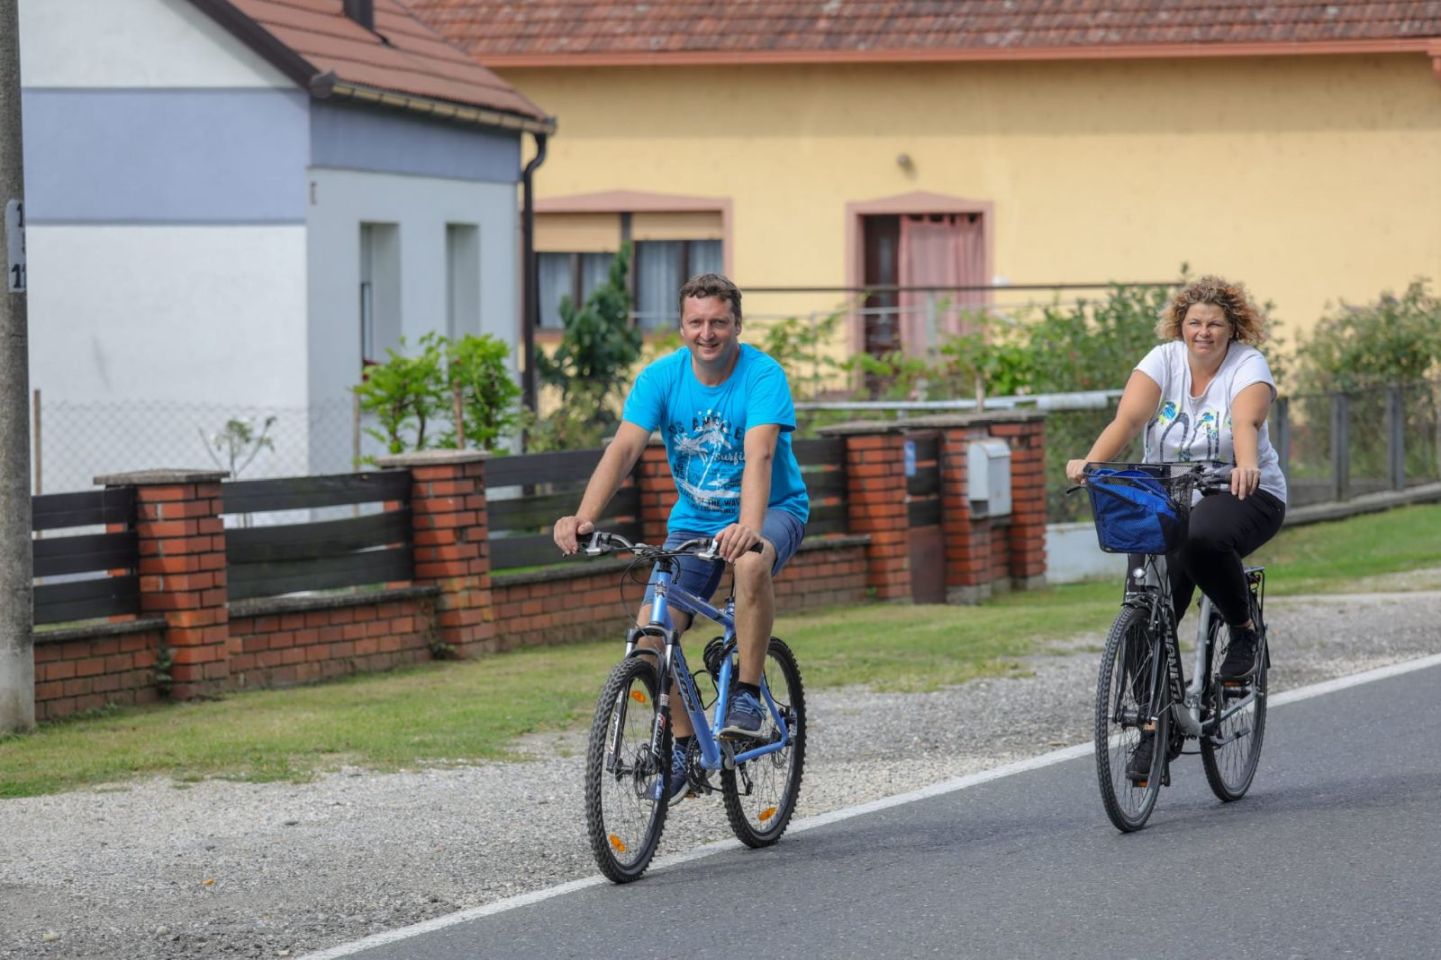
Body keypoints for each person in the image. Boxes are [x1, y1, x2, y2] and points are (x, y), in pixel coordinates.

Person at [553, 273, 809, 804]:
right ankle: (686, 748)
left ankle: (744, 693)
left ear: (737, 323)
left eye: (718, 322)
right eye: (696, 322)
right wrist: (583, 516)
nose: (707, 333)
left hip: (773, 509)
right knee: (651, 636)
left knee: (751, 564)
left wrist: (750, 528)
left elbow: (760, 455)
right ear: (681, 326)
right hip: (694, 521)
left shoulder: (763, 376)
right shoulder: (660, 378)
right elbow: (623, 449)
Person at [1066, 275, 1287, 779]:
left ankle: (1243, 629)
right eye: (1194, 323)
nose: (1203, 332)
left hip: (1241, 492)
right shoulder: (1162, 361)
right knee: (1146, 605)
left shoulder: (1247, 365)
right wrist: (1092, 464)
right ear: (1180, 326)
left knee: (1204, 535)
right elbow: (1127, 421)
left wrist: (1246, 465)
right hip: (1165, 495)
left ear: (1233, 328)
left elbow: (1245, 422)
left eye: (1214, 324)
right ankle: (1154, 729)